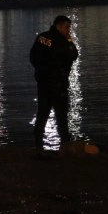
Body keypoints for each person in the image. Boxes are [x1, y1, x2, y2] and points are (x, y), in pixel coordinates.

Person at [29, 15, 79, 153]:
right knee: (62, 117)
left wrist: (40, 72)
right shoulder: (62, 41)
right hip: (58, 84)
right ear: (58, 26)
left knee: (42, 115)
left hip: (43, 83)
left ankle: (38, 145)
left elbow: (33, 57)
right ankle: (65, 146)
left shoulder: (42, 37)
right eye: (66, 27)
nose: (68, 30)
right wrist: (69, 40)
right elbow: (74, 54)